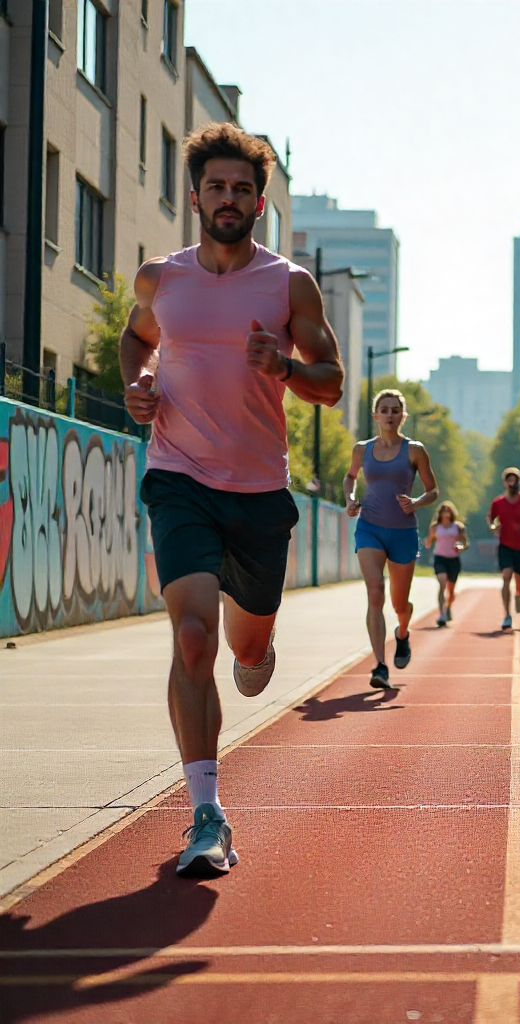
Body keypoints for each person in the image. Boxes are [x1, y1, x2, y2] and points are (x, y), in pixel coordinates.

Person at [121, 123, 344, 877]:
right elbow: (134, 340)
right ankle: (207, 814)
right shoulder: (162, 278)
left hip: (257, 492)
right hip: (178, 477)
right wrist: (138, 389)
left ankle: (259, 644)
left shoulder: (290, 284)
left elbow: (332, 383)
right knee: (192, 637)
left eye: (242, 188)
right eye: (216, 186)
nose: (228, 198)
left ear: (258, 201)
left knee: (245, 653)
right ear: (195, 197)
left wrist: (283, 363)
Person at [344, 390, 438, 687]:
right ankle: (380, 666)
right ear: (375, 416)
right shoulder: (362, 449)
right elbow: (350, 477)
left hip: (403, 533)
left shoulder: (415, 450)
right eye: (383, 410)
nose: (389, 414)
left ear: (402, 416)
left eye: (395, 410)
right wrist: (350, 498)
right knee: (375, 592)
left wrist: (417, 502)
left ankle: (402, 632)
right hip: (369, 527)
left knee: (400, 604)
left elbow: (433, 490)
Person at [487, 468, 520, 631]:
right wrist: (492, 526)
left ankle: (519, 593)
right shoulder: (498, 502)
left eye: (515, 480)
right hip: (505, 545)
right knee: (506, 575)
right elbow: (490, 517)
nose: (512, 483)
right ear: (504, 483)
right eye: (509, 480)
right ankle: (506, 615)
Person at [425, 500, 468, 626]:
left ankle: (448, 606)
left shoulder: (458, 527)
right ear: (440, 513)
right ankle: (442, 614)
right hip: (440, 558)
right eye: (444, 510)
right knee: (442, 582)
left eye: (448, 510)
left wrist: (462, 546)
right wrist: (426, 545)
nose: (446, 513)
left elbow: (466, 542)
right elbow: (429, 542)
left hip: (453, 559)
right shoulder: (435, 527)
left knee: (451, 590)